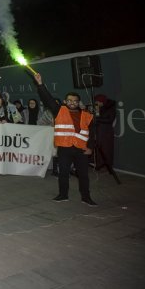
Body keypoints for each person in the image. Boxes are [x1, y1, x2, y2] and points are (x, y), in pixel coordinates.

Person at [34, 73, 97, 206]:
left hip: (81, 150)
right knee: (63, 173)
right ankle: (63, 195)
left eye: (75, 101)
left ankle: (86, 197)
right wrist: (40, 84)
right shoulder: (59, 111)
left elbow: (92, 133)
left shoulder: (87, 115)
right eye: (69, 100)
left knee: (84, 175)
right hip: (64, 149)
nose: (72, 103)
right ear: (65, 101)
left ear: (78, 102)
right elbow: (48, 99)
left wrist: (90, 147)